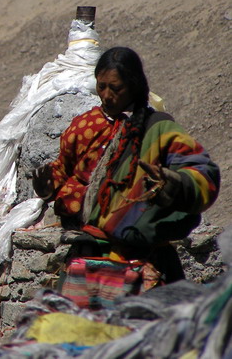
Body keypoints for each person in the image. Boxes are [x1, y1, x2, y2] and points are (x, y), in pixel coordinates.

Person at [32, 46, 220, 301]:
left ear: (133, 86)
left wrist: (172, 185)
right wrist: (48, 187)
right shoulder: (85, 127)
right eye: (101, 87)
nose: (107, 95)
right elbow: (66, 172)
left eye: (116, 88)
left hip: (142, 266)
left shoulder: (159, 129)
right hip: (88, 260)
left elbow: (201, 172)